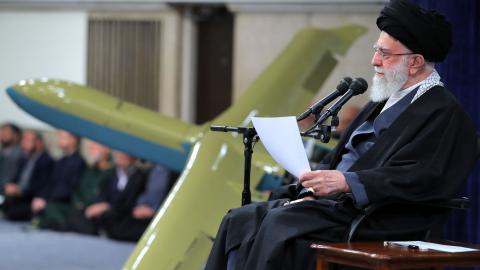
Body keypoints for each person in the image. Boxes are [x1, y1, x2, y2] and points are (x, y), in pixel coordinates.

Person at [205, 1, 478, 270]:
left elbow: (422, 177)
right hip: (337, 206)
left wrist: (348, 183)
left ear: (416, 62)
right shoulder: (382, 99)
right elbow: (343, 157)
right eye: (376, 50)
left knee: (280, 224)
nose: (374, 61)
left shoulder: (443, 112)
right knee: (240, 219)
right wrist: (312, 187)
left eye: (385, 53)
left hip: (379, 216)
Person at [37, 140, 113, 230]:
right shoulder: (90, 170)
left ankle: (60, 224)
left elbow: (102, 196)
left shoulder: (111, 172)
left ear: (107, 149)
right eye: (91, 147)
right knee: (52, 207)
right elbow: (78, 190)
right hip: (78, 208)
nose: (91, 150)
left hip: (92, 211)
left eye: (95, 147)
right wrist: (78, 203)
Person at [77, 151, 149, 241]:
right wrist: (99, 205)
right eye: (120, 153)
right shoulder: (111, 174)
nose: (121, 156)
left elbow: (130, 203)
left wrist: (107, 207)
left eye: (125, 154)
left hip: (122, 217)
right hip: (106, 215)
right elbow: (103, 194)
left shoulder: (140, 177)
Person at [32, 130, 86, 226]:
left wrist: (47, 201)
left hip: (64, 203)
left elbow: (71, 188)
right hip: (52, 200)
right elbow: (50, 183)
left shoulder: (79, 162)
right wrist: (41, 198)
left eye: (62, 137)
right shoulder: (60, 161)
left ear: (73, 140)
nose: (59, 140)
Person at [2, 130, 54, 220]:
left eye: (27, 140)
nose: (23, 143)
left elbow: (42, 185)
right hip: (17, 197)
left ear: (38, 143)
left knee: (14, 212)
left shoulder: (46, 161)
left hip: (31, 199)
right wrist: (11, 186)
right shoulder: (25, 159)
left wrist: (21, 191)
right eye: (23, 140)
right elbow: (16, 178)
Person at [0, 123, 23, 195]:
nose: (2, 135)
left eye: (6, 132)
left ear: (16, 136)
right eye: (1, 132)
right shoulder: (3, 152)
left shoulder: (20, 154)